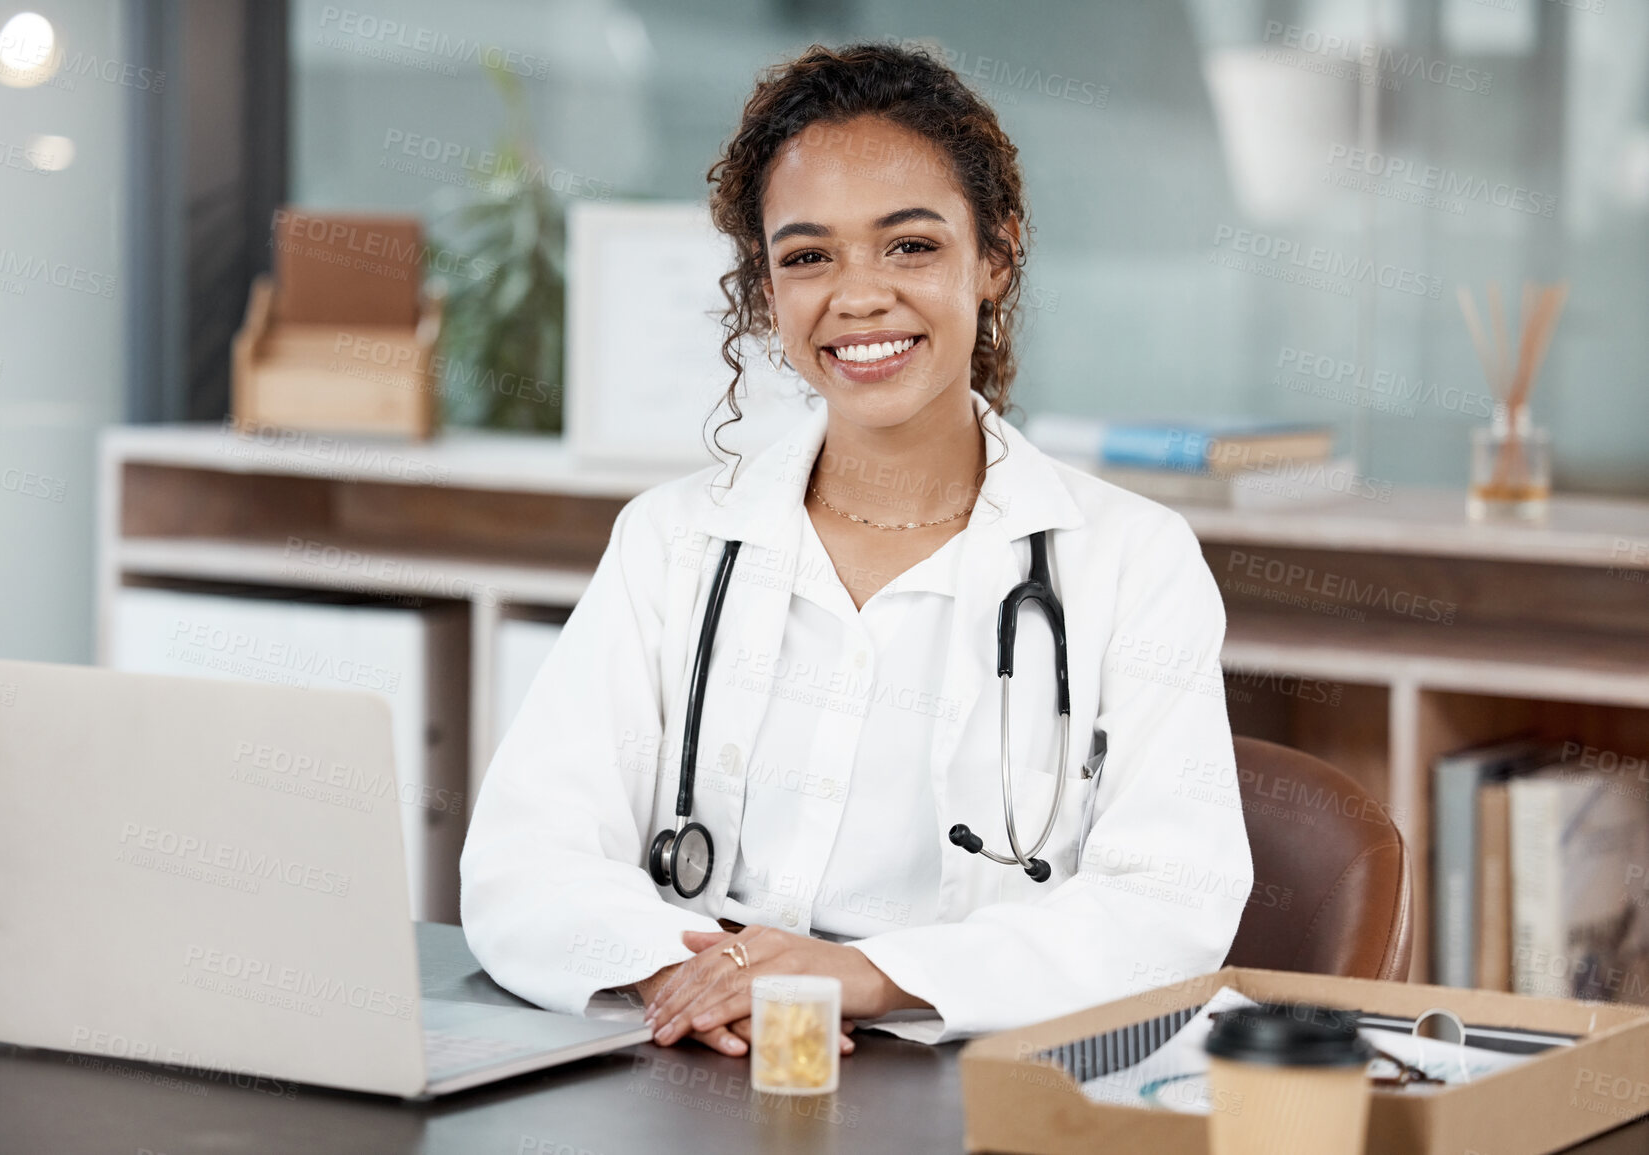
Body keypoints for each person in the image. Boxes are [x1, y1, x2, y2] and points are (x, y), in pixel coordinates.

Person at [460, 42, 1251, 1056]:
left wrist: (872, 977)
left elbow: (1170, 909)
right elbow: (525, 855)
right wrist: (693, 979)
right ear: (765, 290)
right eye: (807, 256)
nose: (859, 295)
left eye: (910, 246)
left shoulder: (1133, 563)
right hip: (703, 1058)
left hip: (964, 1079)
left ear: (996, 258)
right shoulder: (672, 544)